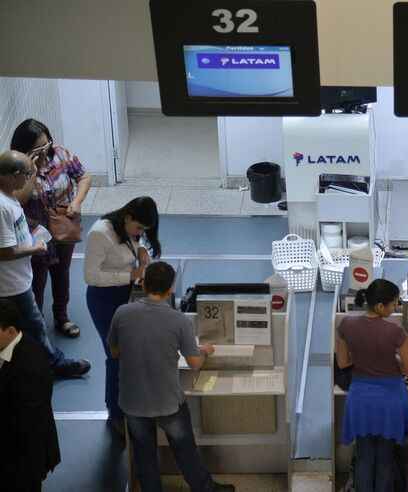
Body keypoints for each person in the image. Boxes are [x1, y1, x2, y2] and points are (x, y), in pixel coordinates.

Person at [108, 262, 234, 492]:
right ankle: (204, 488)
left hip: (132, 402)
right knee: (185, 449)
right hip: (167, 402)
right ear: (170, 289)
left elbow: (114, 351)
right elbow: (194, 363)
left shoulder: (121, 313)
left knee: (144, 454)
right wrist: (203, 351)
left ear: (143, 283)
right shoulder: (179, 320)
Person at [0, 150, 90, 378]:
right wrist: (35, 248)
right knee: (36, 326)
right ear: (13, 175)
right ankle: (55, 364)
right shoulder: (2, 206)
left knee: (30, 327)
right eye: (28, 175)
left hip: (17, 279)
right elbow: (5, 251)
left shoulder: (8, 197)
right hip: (12, 285)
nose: (30, 180)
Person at [11, 118, 93, 338]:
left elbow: (83, 176)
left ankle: (62, 317)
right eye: (39, 147)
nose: (46, 150)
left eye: (47, 144)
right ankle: (37, 324)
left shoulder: (61, 154)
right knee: (37, 277)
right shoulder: (18, 166)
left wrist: (76, 202)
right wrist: (32, 169)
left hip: (63, 225)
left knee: (62, 273)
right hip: (35, 232)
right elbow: (19, 198)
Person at [85, 196, 159, 435]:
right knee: (115, 355)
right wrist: (130, 275)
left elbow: (131, 241)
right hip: (104, 300)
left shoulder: (126, 227)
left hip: (124, 295)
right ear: (128, 217)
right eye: (139, 228)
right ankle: (115, 413)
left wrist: (142, 250)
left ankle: (129, 402)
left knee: (130, 354)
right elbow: (91, 276)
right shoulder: (100, 233)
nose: (139, 233)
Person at [336, 279, 408, 492]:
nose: (395, 307)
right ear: (381, 306)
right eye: (394, 304)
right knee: (385, 459)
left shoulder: (346, 325)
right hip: (389, 401)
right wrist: (394, 364)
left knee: (363, 456)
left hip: (360, 399)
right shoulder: (396, 332)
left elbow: (343, 362)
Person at [0, 299, 61, 492]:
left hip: (22, 459)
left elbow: (25, 424)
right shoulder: (10, 346)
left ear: (10, 331)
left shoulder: (30, 367)